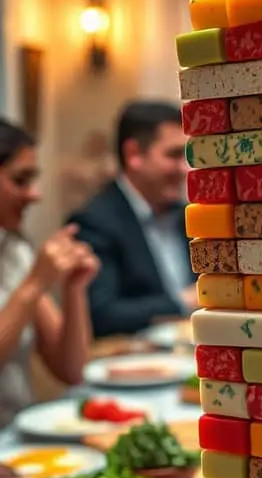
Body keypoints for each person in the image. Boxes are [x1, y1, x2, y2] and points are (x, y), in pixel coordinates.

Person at [69, 101, 197, 338]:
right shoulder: (93, 222)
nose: (185, 169)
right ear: (134, 154)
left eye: (186, 156)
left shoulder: (188, 215)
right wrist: (183, 301)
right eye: (173, 155)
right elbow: (101, 314)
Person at [0, 119, 98, 427]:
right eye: (21, 180)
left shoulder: (13, 251)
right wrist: (35, 284)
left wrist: (74, 288)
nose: (35, 195)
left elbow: (71, 370)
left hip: (16, 441)